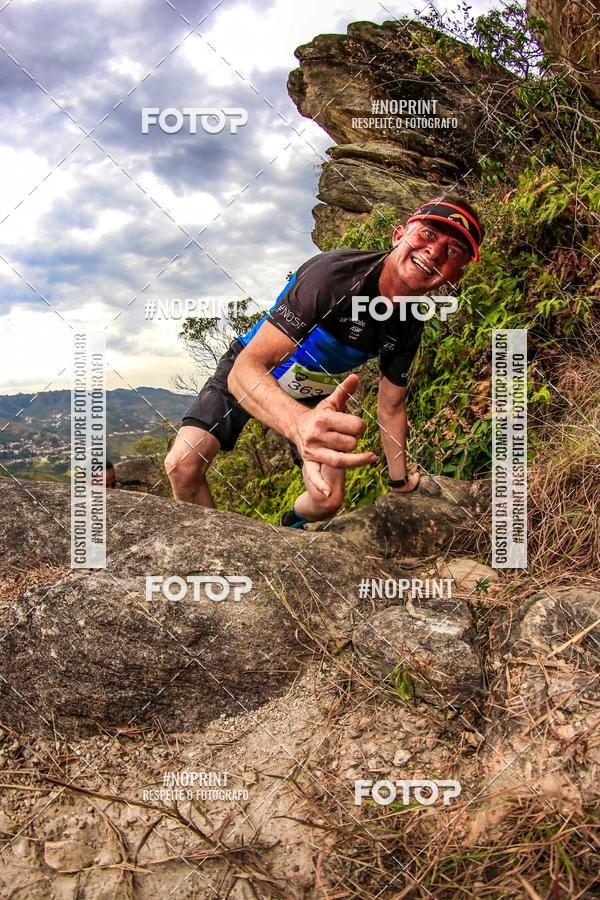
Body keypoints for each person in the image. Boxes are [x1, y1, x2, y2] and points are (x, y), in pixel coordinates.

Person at [165, 195, 484, 527]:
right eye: (428, 234)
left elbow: (391, 406)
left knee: (327, 499)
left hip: (315, 389)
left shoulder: (410, 321)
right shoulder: (333, 275)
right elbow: (245, 369)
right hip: (257, 367)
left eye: (453, 251)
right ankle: (216, 560)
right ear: (398, 235)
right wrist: (299, 424)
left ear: (454, 277)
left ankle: (289, 530)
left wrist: (399, 482)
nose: (434, 251)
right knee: (182, 465)